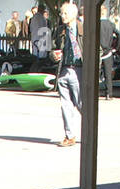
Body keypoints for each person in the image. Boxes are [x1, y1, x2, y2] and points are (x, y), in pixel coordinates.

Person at [52, 1, 80, 146]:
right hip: (64, 70)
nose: (62, 16)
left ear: (73, 15)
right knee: (65, 105)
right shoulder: (60, 30)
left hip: (78, 70)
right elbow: (54, 48)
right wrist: (54, 55)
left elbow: (98, 50)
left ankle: (90, 131)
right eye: (61, 13)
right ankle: (69, 136)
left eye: (65, 13)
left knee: (81, 104)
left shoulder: (83, 29)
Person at [98, 3, 118, 99]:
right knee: (108, 74)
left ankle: (94, 92)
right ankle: (109, 93)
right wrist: (116, 48)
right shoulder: (111, 24)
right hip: (108, 51)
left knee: (95, 74)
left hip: (97, 51)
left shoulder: (96, 24)